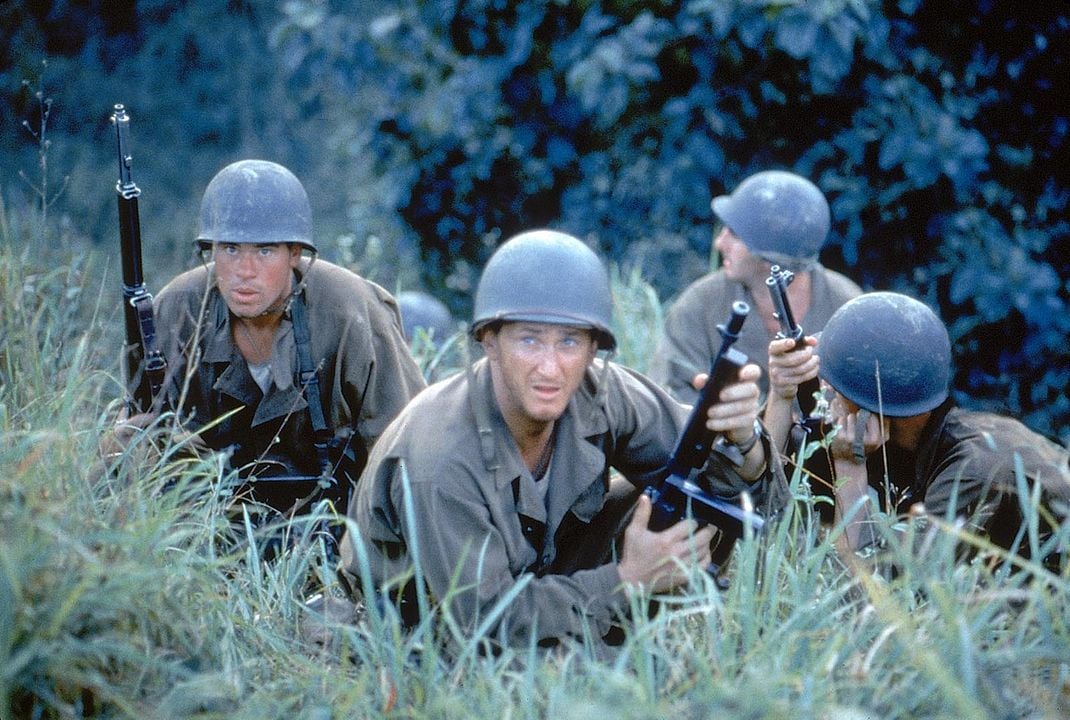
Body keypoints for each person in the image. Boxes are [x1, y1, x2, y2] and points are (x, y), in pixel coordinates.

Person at [340, 229, 788, 653]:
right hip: (429, 618)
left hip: (540, 575)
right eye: (529, 340)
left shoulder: (600, 393)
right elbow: (487, 623)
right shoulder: (440, 457)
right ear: (489, 342)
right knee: (608, 675)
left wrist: (742, 439)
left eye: (569, 342)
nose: (550, 369)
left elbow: (754, 500)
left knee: (692, 498)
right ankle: (615, 653)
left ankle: (626, 638)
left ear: (593, 349)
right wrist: (626, 580)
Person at [147, 159, 426, 544]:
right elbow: (142, 441)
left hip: (341, 532)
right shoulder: (177, 312)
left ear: (294, 254)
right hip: (207, 532)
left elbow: (407, 454)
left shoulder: (352, 314)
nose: (244, 270)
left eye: (264, 251)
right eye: (230, 249)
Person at [766, 291, 1069, 568]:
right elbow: (762, 478)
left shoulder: (974, 469)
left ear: (871, 409)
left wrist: (850, 468)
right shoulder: (906, 437)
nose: (825, 393)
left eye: (834, 387)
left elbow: (879, 591)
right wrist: (780, 395)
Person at [650, 170, 862, 404]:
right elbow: (667, 402)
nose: (719, 243)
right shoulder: (700, 306)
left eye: (734, 234)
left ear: (769, 257)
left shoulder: (849, 310)